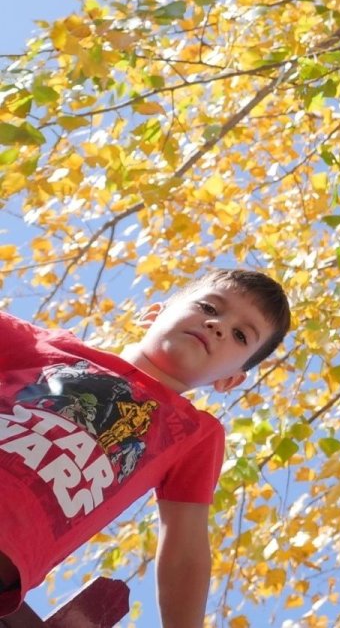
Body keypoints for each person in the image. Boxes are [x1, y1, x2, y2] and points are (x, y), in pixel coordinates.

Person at [0, 268, 292, 625]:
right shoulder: (46, 347)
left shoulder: (193, 434)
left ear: (229, 380)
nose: (218, 325)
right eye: (209, 307)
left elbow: (185, 552)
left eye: (240, 335)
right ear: (153, 314)